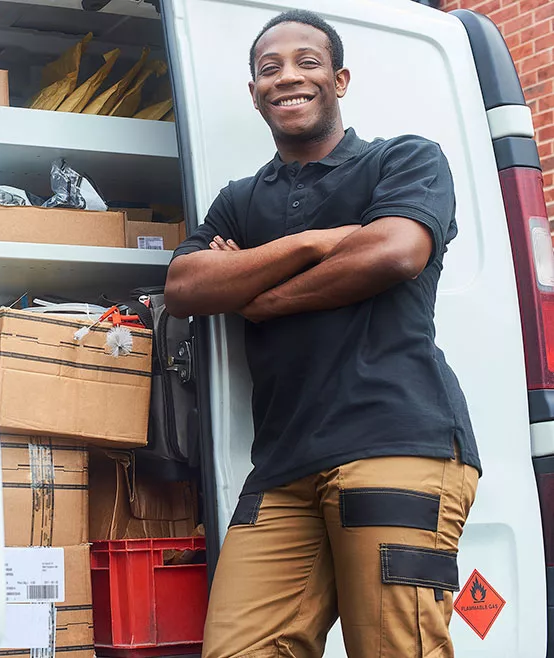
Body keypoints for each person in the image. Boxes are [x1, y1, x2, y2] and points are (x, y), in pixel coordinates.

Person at [164, 9, 481, 658]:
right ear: (253, 93)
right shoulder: (239, 199)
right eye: (268, 69)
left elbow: (394, 252)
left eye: (307, 62)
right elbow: (187, 288)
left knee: (398, 650)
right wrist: (315, 241)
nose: (288, 78)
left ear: (339, 79)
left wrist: (259, 293)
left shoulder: (405, 160)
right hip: (282, 466)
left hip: (394, 439)